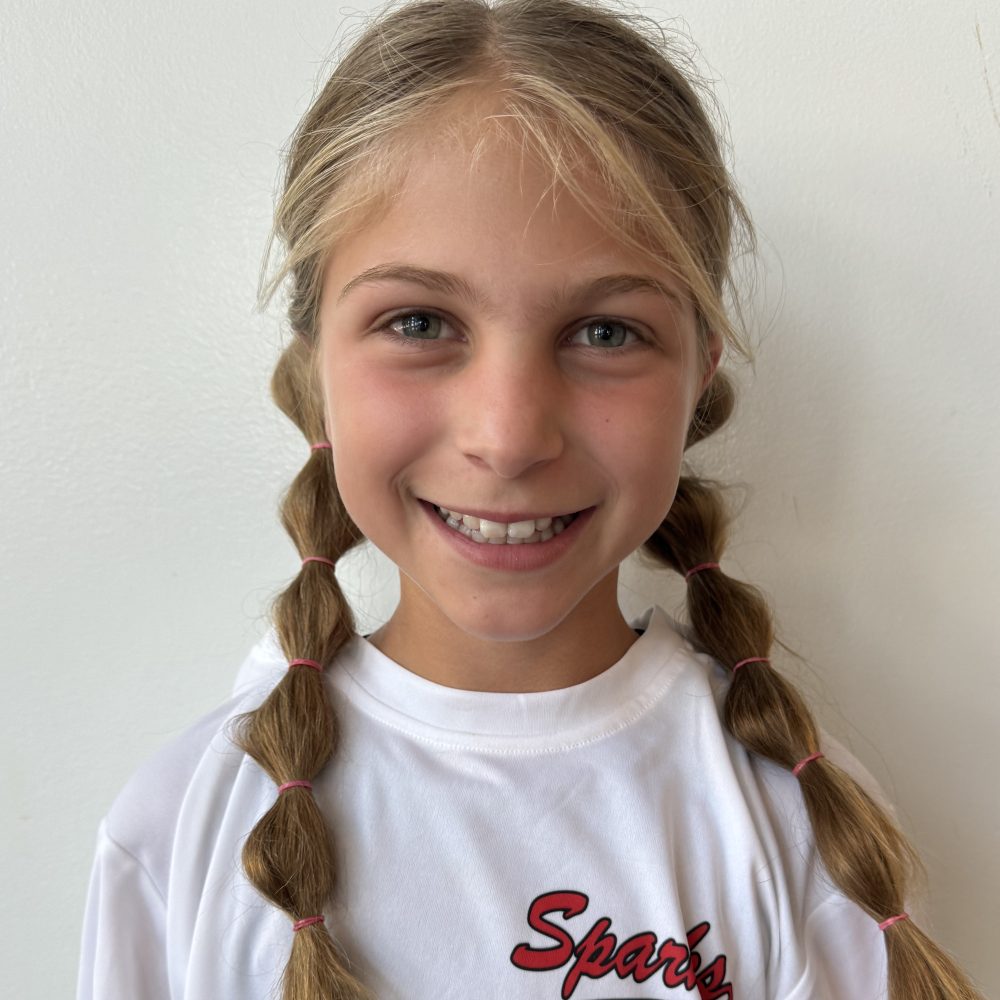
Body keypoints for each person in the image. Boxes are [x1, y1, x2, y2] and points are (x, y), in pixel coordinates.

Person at [77, 1, 984, 998]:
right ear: (314, 369)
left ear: (699, 375)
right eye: (419, 322)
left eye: (605, 332)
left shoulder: (803, 827)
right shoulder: (182, 830)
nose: (508, 437)